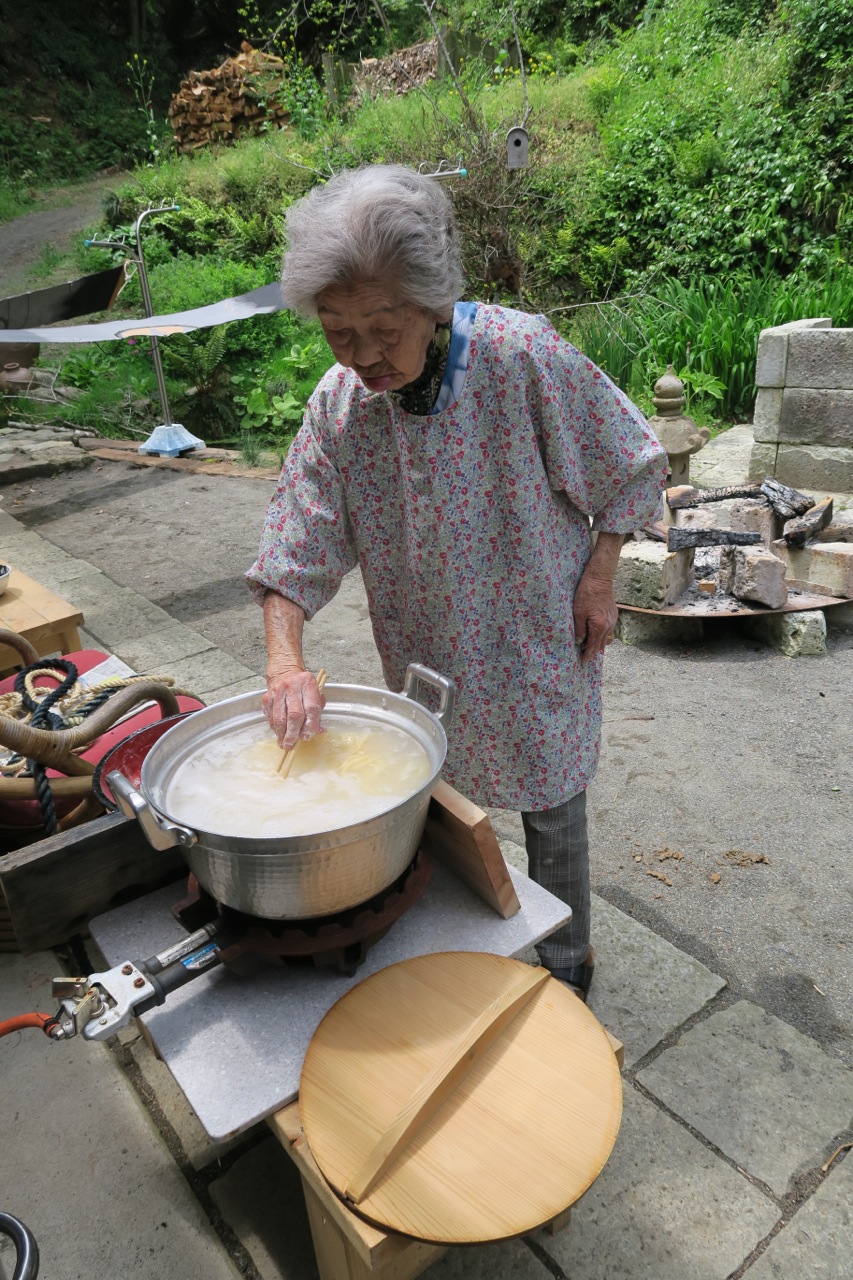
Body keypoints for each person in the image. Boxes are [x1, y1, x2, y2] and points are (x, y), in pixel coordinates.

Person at [247, 164, 667, 999]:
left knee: (551, 799)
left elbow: (627, 462)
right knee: (431, 798)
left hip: (533, 627)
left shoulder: (520, 357)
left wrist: (600, 574)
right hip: (425, 647)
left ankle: (566, 967)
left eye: (384, 328)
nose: (364, 356)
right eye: (337, 333)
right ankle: (466, 957)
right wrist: (284, 660)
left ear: (432, 302)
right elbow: (295, 541)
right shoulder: (339, 406)